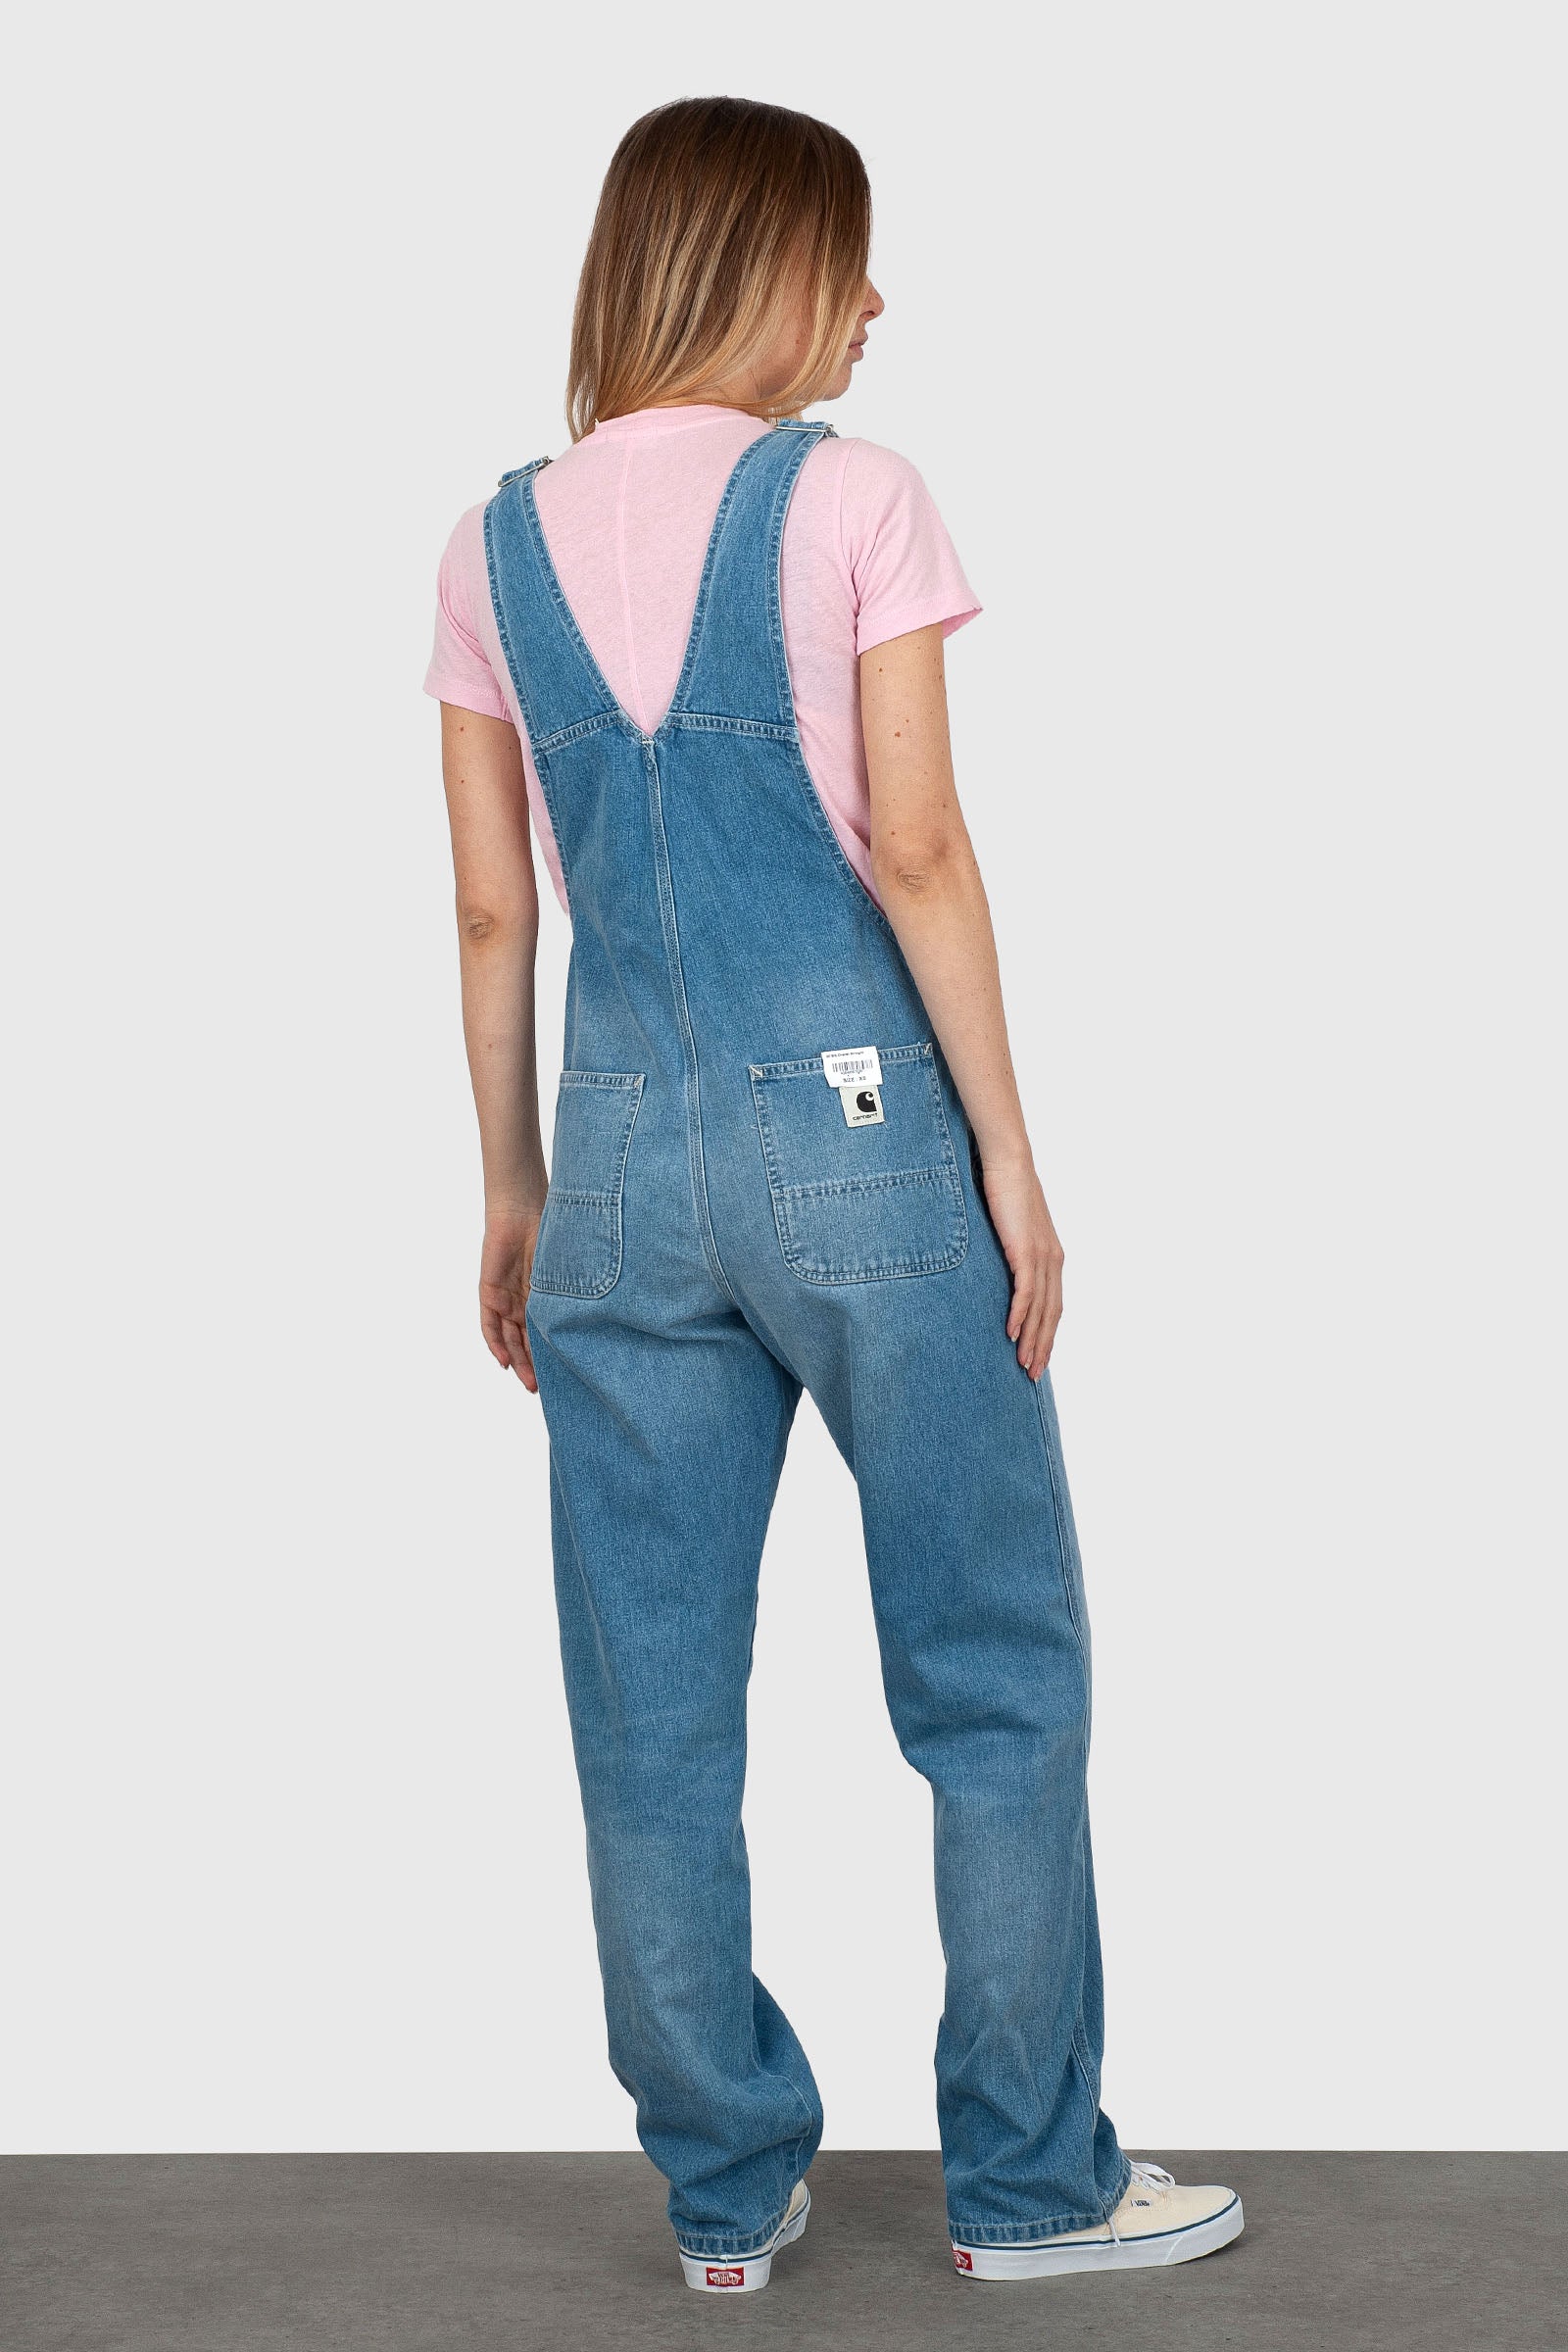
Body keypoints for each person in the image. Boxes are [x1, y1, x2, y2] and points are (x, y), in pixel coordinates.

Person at [424, 94, 1242, 2294]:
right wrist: (1009, 1155)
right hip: (867, 1144)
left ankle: (721, 2198)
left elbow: (495, 913)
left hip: (614, 1160)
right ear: (762, 267)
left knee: (649, 1704)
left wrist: (511, 1185)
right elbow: (918, 845)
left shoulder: (489, 547)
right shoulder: (852, 498)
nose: (875, 303)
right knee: (992, 1664)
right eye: (846, 259)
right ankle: (1032, 2187)